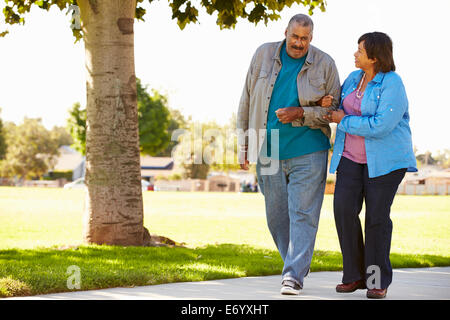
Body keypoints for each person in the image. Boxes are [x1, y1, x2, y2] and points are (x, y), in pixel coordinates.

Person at [236, 13, 341, 295]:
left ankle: (293, 275)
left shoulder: (325, 63)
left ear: (311, 38)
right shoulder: (263, 54)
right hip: (267, 150)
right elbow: (246, 98)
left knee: (303, 214)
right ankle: (295, 265)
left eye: (304, 39)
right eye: (294, 37)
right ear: (285, 33)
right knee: (277, 216)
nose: (298, 43)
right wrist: (244, 144)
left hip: (309, 149)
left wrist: (301, 113)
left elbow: (334, 112)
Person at [325, 32, 417, 299]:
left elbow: (381, 125)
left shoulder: (393, 84)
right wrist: (329, 104)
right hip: (350, 159)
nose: (355, 54)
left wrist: (343, 120)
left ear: (374, 57)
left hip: (385, 163)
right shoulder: (354, 78)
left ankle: (376, 280)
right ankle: (353, 276)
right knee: (343, 210)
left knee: (376, 219)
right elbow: (339, 104)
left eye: (360, 50)